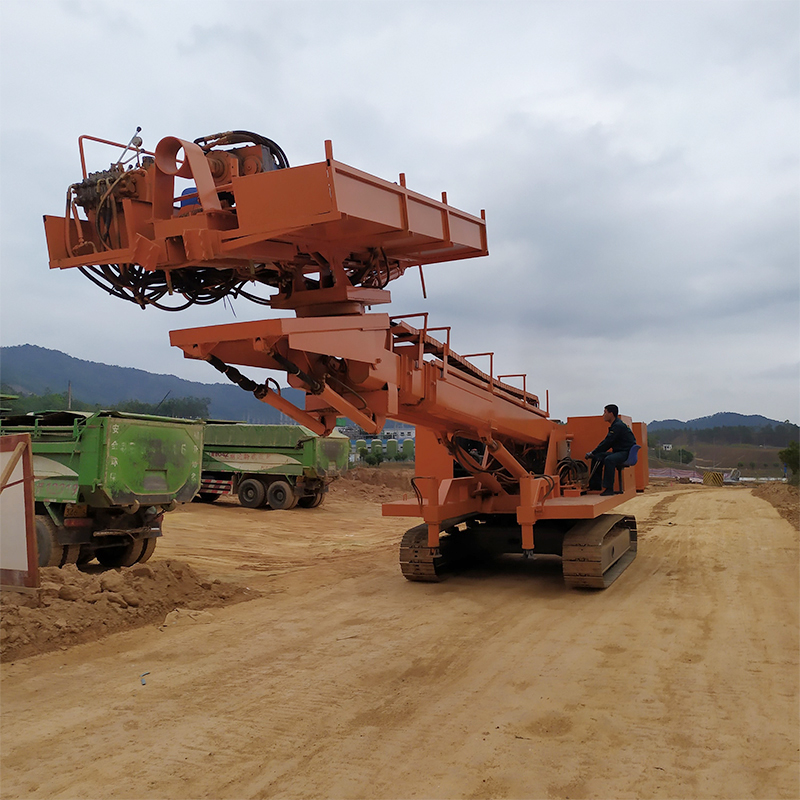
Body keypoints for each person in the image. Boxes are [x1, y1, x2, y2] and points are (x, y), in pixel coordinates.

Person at [585, 404, 637, 496]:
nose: (603, 415)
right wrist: (595, 454)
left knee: (609, 460)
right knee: (597, 457)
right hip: (619, 451)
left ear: (611, 414)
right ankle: (595, 485)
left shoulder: (618, 426)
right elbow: (608, 442)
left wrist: (592, 452)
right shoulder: (615, 425)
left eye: (605, 412)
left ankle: (609, 489)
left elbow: (607, 442)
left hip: (625, 452)